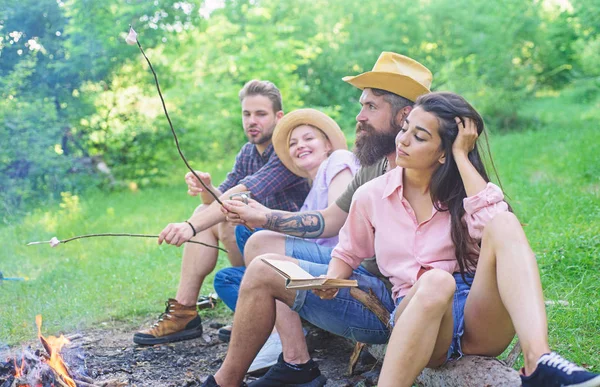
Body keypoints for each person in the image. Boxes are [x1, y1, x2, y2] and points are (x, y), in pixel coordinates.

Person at [205, 92, 600, 387]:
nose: (403, 141)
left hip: (479, 317)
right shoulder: (372, 195)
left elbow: (499, 224)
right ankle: (227, 381)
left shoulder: (466, 192)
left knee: (504, 225)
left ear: (443, 152)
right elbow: (346, 252)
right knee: (261, 266)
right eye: (406, 129)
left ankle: (539, 361)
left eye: (420, 136)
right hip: (420, 315)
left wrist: (463, 158)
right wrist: (330, 281)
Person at [201, 52, 432, 386]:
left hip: (384, 301)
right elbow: (329, 220)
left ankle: (227, 381)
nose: (359, 116)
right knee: (260, 243)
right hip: (356, 273)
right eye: (361, 105)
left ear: (404, 115)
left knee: (263, 270)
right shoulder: (374, 164)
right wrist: (263, 216)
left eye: (370, 107)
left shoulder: (426, 172)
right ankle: (296, 363)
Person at [132, 80, 310, 345]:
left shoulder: (287, 152)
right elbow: (218, 199)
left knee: (223, 219)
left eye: (261, 114)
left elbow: (240, 194)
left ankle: (262, 316)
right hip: (257, 248)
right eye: (246, 114)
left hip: (292, 254)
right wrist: (206, 187)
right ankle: (184, 310)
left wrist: (189, 226)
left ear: (278, 117)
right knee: (209, 213)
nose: (252, 120)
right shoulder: (248, 153)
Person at [212, 109, 359, 372]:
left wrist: (266, 218)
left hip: (340, 261)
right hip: (312, 258)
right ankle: (276, 325)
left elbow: (339, 220)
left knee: (259, 241)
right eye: (293, 143)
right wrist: (252, 215)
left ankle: (285, 345)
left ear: (327, 144)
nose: (300, 145)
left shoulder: (339, 160)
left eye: (308, 138)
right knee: (226, 278)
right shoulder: (309, 195)